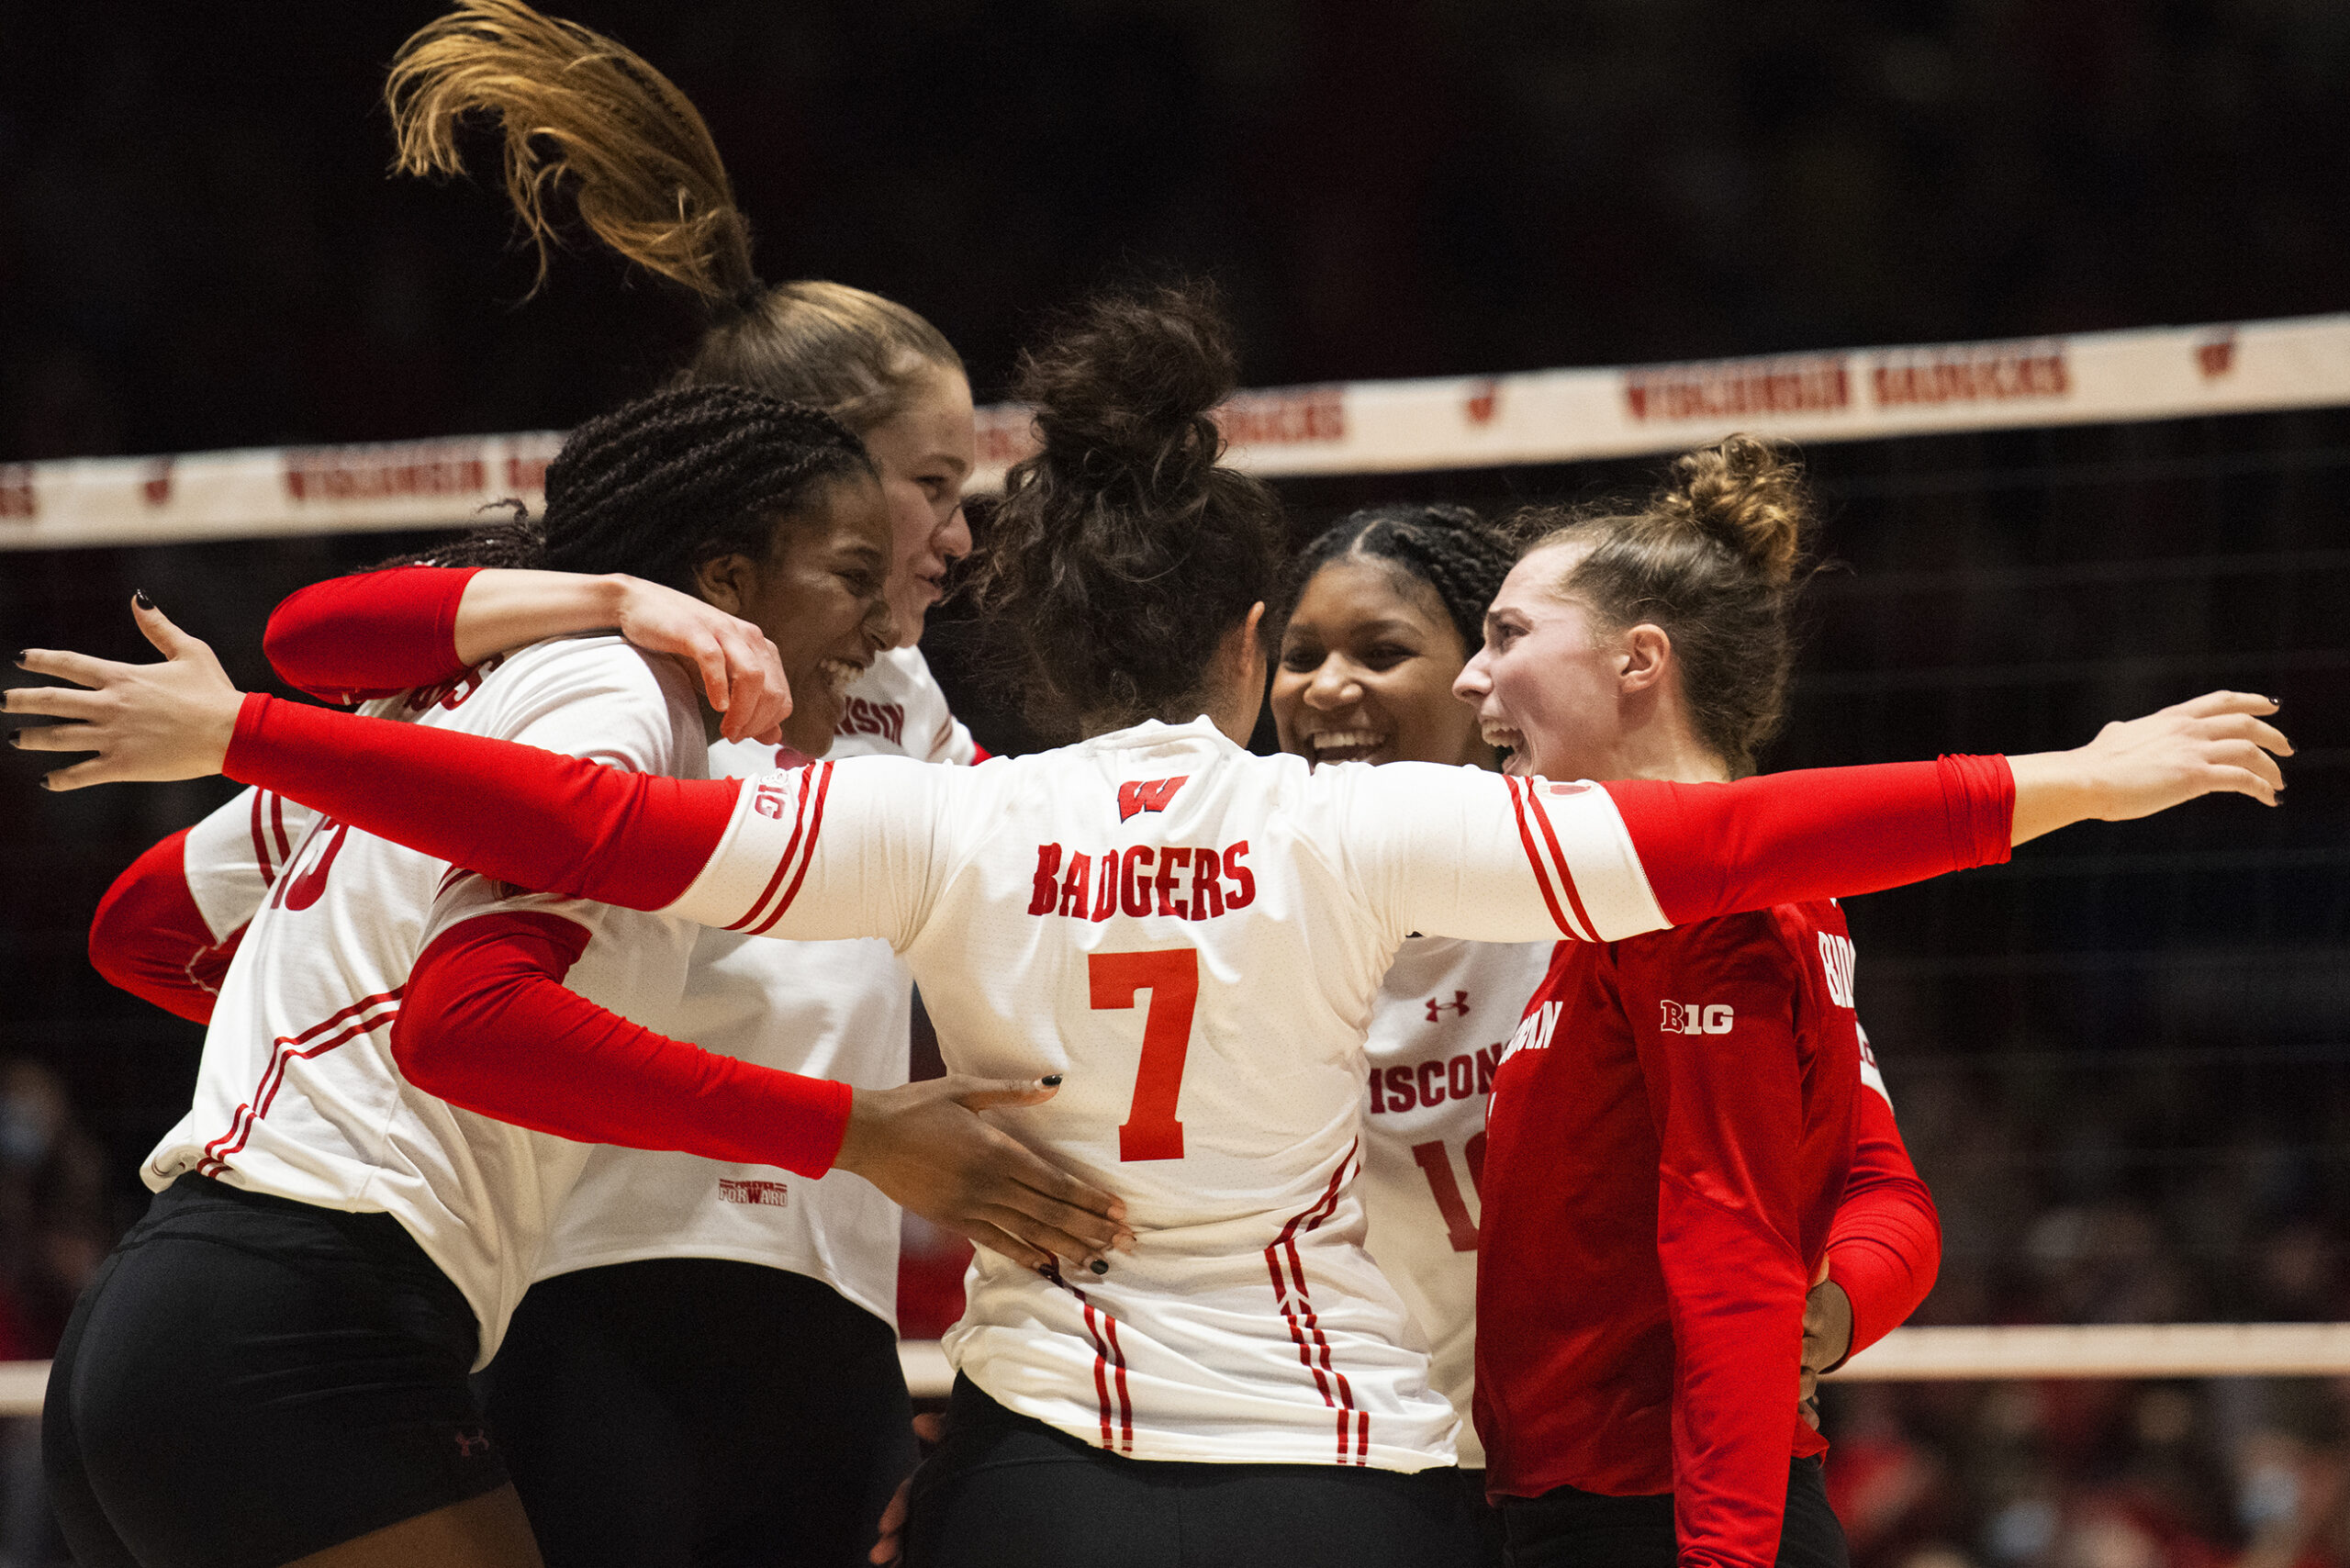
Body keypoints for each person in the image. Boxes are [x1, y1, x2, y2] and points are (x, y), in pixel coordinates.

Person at [7, 286, 2289, 1568]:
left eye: (1445, 644)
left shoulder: (914, 802)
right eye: (905, 502)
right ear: (1236, 648)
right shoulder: (1324, 834)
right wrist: (2075, 777)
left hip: (1066, 1468)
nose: (938, 547)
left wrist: (269, 750)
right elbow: (1740, 845)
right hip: (1291, 1472)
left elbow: (496, 841)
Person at [86, 5, 1006, 1561]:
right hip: (569, 1290)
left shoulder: (897, 699)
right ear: (795, 490)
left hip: (797, 1302)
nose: (959, 534)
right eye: (929, 488)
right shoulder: (584, 679)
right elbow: (190, 901)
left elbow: (1054, 890)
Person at [34, 386, 1127, 1568]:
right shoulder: (623, 693)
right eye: (853, 575)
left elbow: (150, 921)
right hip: (306, 1318)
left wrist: (341, 1005)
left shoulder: (460, 699)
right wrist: (854, 1130)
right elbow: (466, 1026)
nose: (883, 624)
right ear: (724, 581)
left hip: (187, 1306)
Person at [1270, 502, 1942, 1566]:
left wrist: (1825, 1312)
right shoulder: (1254, 908)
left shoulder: (1649, 903)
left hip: (1617, 1488)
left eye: (1391, 649)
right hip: (1390, 1471)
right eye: (1296, 653)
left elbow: (1815, 1210)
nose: (1328, 686)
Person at [1458, 437, 1979, 1568]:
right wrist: (1833, 1313)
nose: (1471, 678)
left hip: (1668, 1516)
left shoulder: (1713, 915)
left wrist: (1729, 1552)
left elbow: (1736, 1253)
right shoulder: (1621, 914)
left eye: (1505, 636)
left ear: (1638, 662)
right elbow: (1880, 1186)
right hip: (1592, 1502)